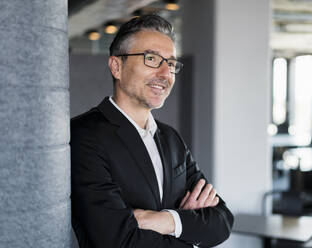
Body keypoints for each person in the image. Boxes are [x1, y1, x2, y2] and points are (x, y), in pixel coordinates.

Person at [70, 14, 234, 248]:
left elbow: (223, 221)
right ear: (117, 66)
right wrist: (189, 231)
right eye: (151, 59)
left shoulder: (171, 139)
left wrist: (165, 220)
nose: (166, 74)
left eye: (171, 64)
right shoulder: (83, 136)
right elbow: (116, 240)